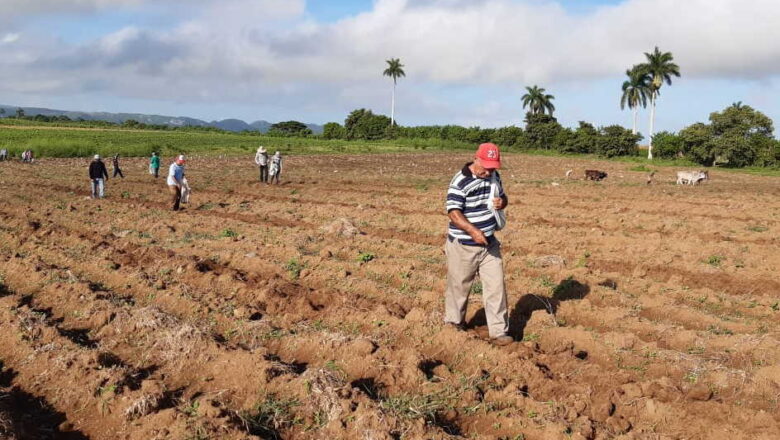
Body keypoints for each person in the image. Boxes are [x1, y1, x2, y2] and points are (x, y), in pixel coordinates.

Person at [444, 142, 512, 346]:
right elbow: (453, 213)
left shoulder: (493, 176)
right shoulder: (460, 181)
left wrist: (503, 202)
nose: (489, 171)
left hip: (489, 244)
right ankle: (454, 324)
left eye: (493, 167)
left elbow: (502, 197)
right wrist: (473, 231)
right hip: (464, 244)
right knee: (459, 286)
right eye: (486, 167)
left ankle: (499, 331)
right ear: (476, 158)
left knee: (496, 286)